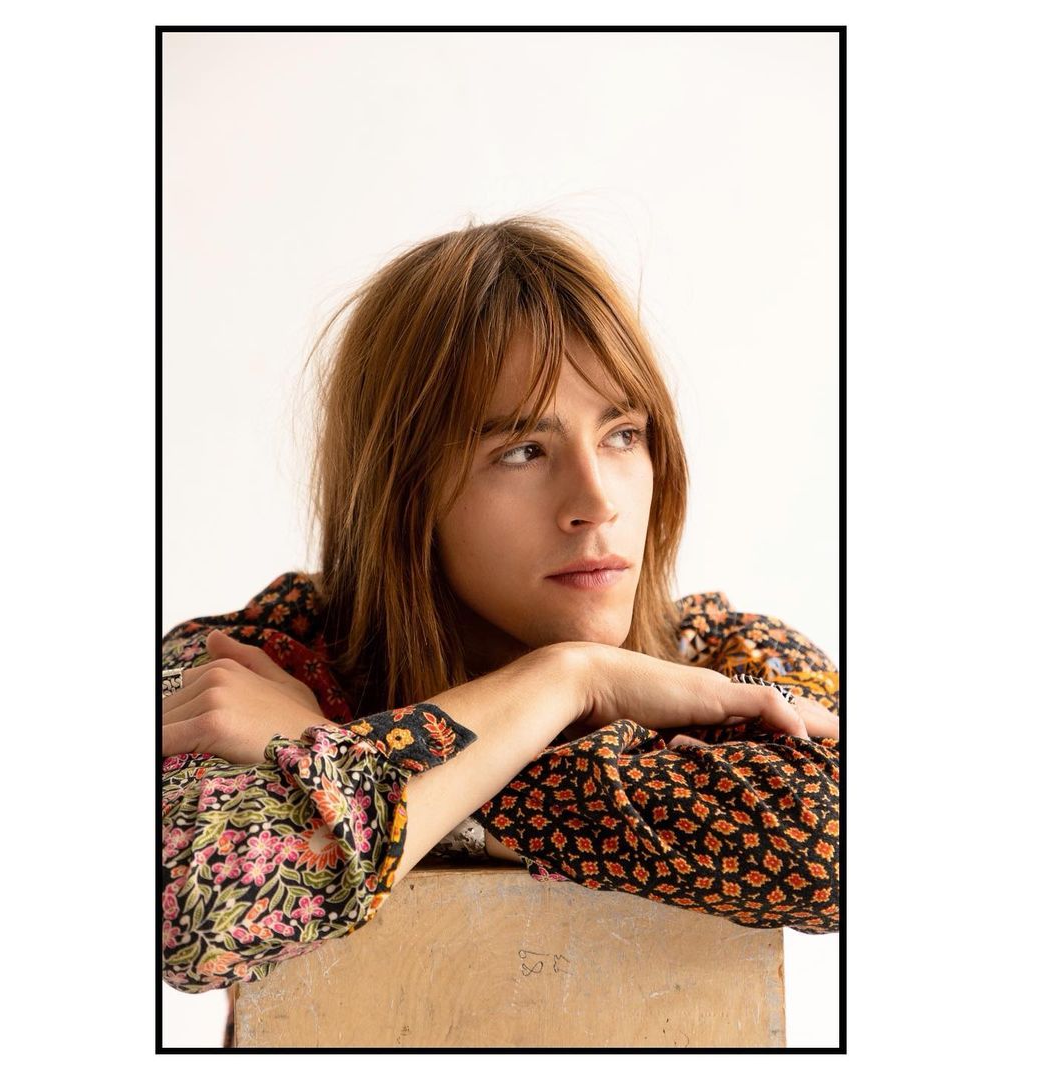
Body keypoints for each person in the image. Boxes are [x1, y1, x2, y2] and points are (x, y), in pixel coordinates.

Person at [161, 217, 839, 1032]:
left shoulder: (728, 659)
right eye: (523, 450)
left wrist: (349, 756)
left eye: (623, 435)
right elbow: (199, 914)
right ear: (406, 491)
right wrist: (565, 682)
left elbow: (838, 847)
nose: (597, 503)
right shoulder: (251, 662)